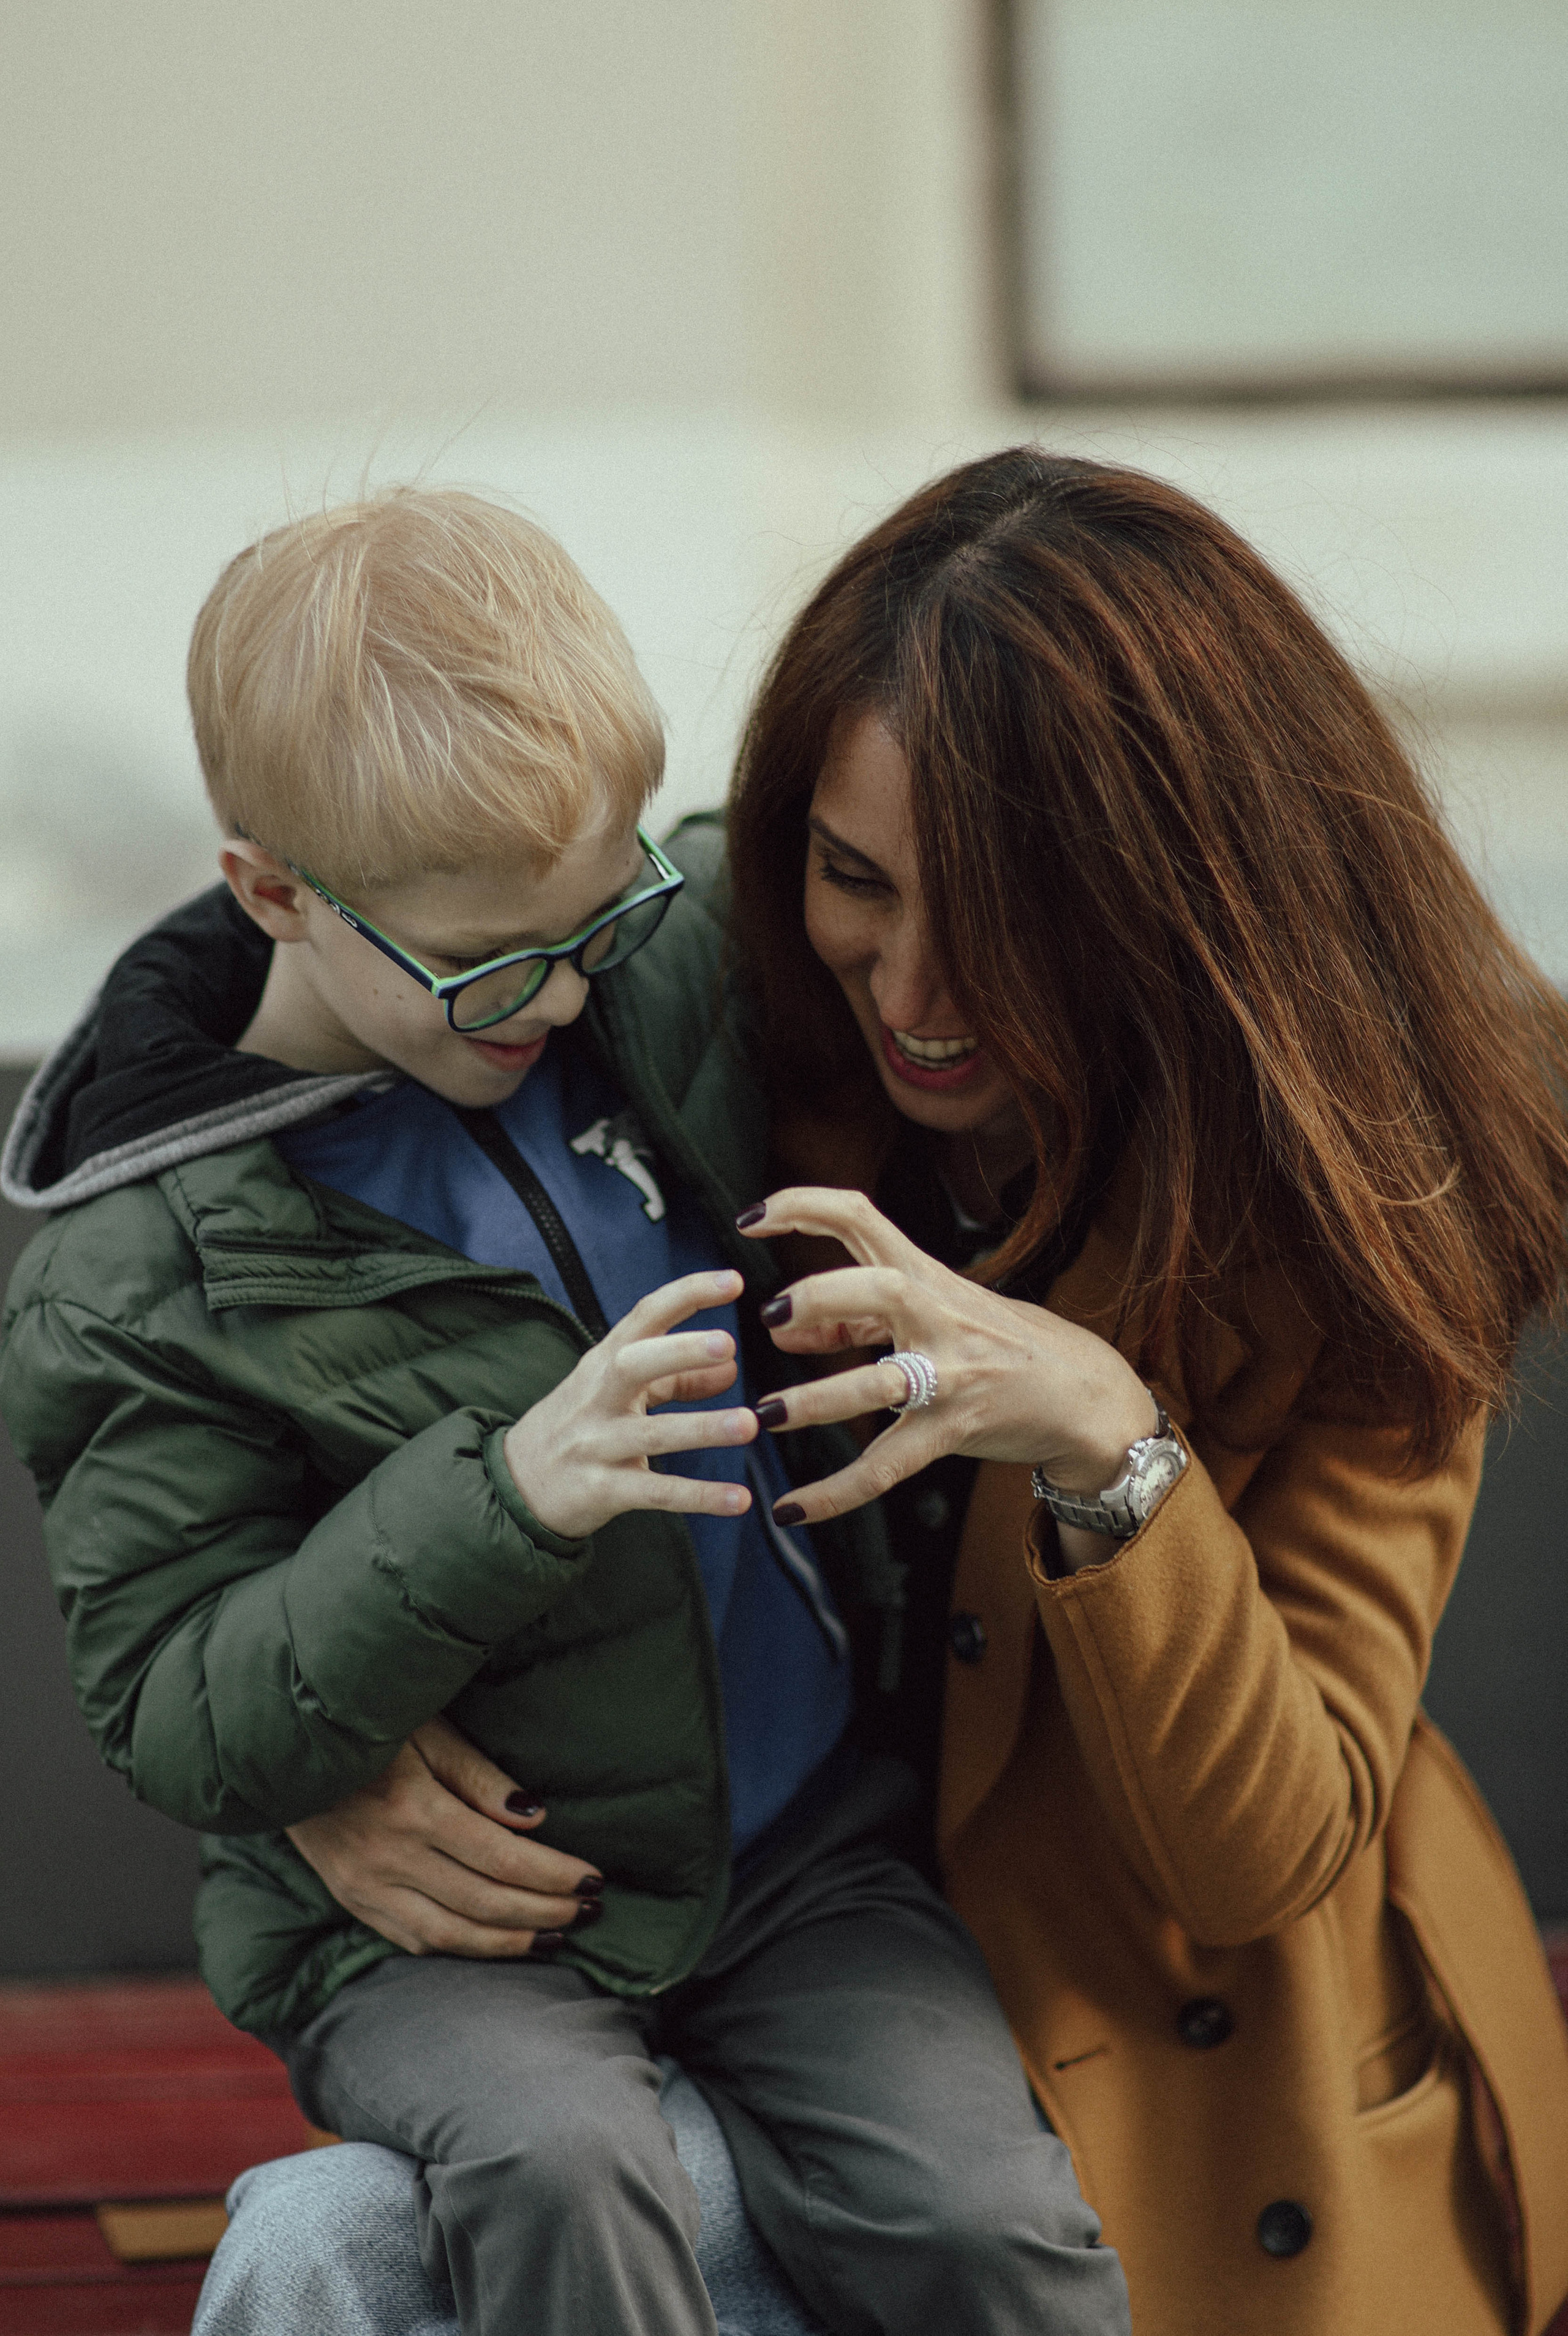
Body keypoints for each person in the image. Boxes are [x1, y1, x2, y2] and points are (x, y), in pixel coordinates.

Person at [210, 449, 1568, 2336]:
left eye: (1010, 922)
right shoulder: (709, 1004)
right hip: (734, 1964)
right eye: (856, 876)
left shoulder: (1362, 1207)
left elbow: (1259, 1859)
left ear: (1183, 903)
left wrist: (1108, 1443)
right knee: (324, 2248)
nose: (915, 992)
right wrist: (315, 1772)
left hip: (1166, 2096)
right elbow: (332, 937)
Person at [0, 488, 1129, 2336]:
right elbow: (172, 1704)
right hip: (456, 1928)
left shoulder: (644, 976)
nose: (566, 988)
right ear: (272, 893)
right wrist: (506, 1494)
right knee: (563, 2174)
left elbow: (808, 855)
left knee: (988, 2219)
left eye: (598, 916)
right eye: (489, 962)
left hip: (800, 1846)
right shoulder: (139, 1275)